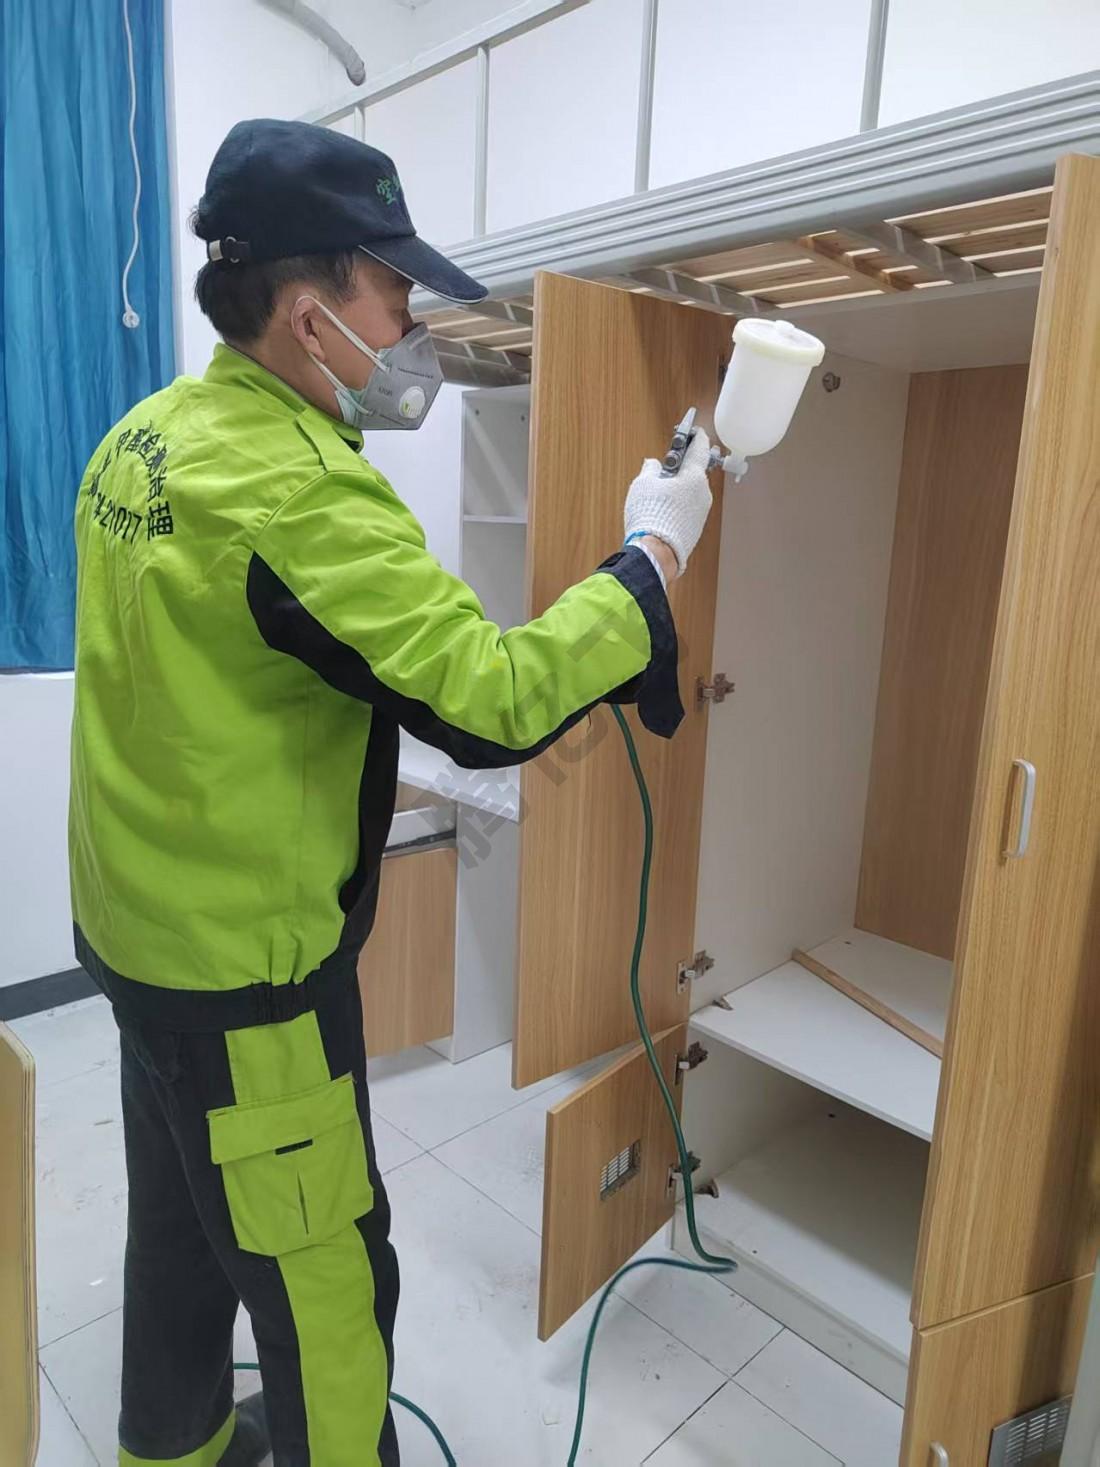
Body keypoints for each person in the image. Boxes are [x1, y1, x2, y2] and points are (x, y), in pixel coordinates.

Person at [69, 118, 714, 1467]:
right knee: (326, 1286)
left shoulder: (143, 441)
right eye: (397, 296)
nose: (415, 329)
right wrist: (651, 559)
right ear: (309, 314)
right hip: (248, 980)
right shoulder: (301, 494)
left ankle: (173, 1451)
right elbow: (490, 699)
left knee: (181, 1232)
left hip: (135, 939)